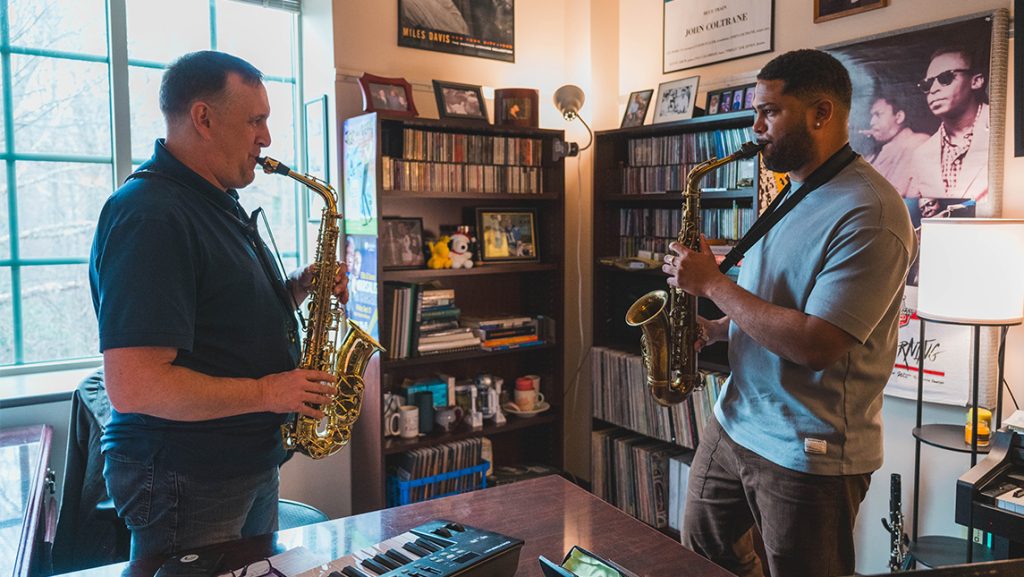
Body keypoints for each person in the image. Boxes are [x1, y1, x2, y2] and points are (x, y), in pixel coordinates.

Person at [663, 49, 915, 577]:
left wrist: (711, 283)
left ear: (821, 113)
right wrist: (716, 329)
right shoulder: (790, 188)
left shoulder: (871, 212)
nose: (755, 128)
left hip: (807, 450)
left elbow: (816, 344)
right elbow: (776, 301)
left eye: (769, 112)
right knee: (704, 555)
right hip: (736, 419)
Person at [89, 51, 349, 560]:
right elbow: (136, 384)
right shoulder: (150, 215)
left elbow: (219, 317)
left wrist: (300, 286)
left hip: (241, 462)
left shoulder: (212, 200)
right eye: (255, 121)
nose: (266, 138)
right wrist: (270, 391)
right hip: (188, 476)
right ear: (203, 118)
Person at [906, 45, 989, 200]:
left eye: (945, 78)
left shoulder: (1007, 133)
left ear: (976, 81)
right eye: (927, 84)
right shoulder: (921, 155)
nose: (933, 89)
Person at [859, 93, 929, 196]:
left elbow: (895, 193)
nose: (872, 122)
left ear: (899, 117)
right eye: (872, 116)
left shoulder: (916, 143)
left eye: (878, 115)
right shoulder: (878, 151)